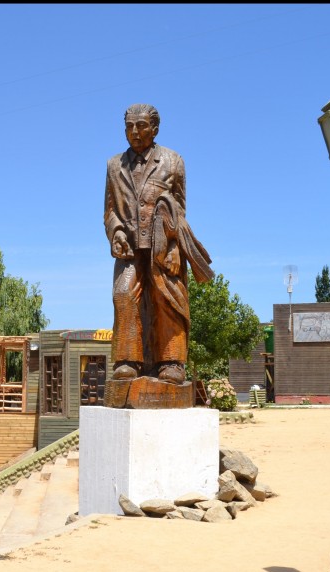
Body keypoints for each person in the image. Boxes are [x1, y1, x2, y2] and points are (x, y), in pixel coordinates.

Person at [104, 103, 213, 384]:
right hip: (129, 247)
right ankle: (128, 360)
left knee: (168, 299)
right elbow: (110, 211)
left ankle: (172, 362)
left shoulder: (173, 160)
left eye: (140, 126)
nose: (134, 132)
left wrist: (176, 247)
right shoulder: (114, 165)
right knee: (123, 294)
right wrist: (116, 231)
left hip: (164, 245)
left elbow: (179, 210)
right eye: (129, 126)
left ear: (154, 128)